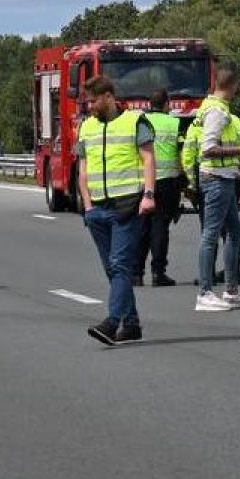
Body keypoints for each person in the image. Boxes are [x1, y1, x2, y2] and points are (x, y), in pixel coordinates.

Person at [76, 74, 157, 346]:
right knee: (113, 271)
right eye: (88, 101)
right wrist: (87, 205)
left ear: (109, 97)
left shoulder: (135, 121)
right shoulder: (86, 127)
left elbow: (148, 159)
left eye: (94, 100)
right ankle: (132, 324)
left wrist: (148, 194)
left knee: (120, 265)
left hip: (127, 206)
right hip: (97, 209)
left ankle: (112, 323)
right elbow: (83, 168)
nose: (90, 106)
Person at [190, 68, 240, 311]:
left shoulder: (216, 109)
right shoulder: (217, 112)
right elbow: (208, 148)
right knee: (211, 234)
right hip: (216, 178)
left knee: (235, 232)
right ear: (233, 85)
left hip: (226, 177)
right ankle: (205, 292)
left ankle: (231, 290)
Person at [133, 88, 182, 287]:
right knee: (160, 228)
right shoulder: (174, 122)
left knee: (142, 229)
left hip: (144, 181)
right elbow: (181, 153)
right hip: (167, 182)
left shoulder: (140, 122)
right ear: (166, 103)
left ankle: (136, 274)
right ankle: (158, 272)